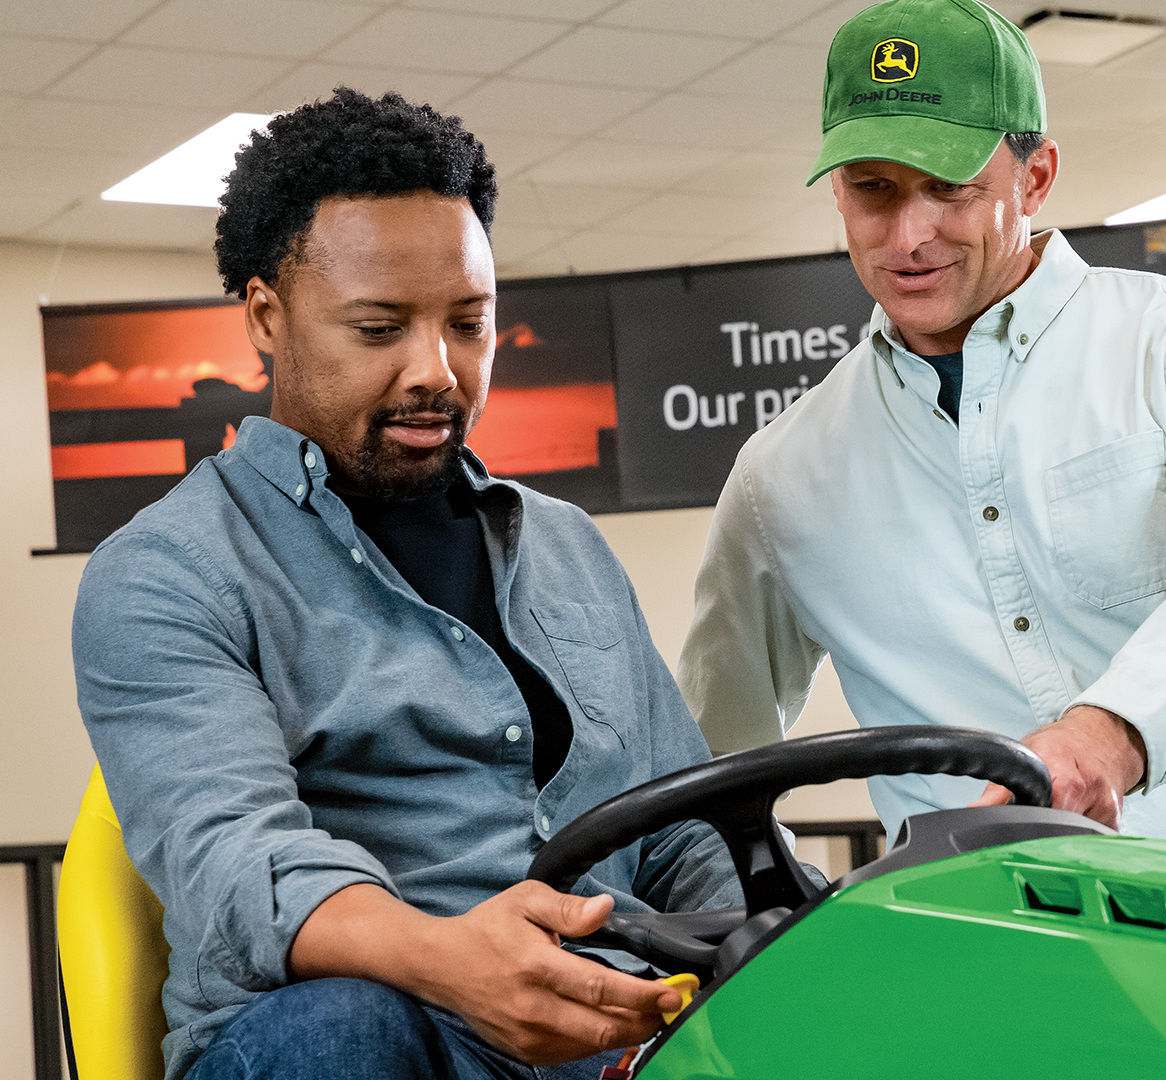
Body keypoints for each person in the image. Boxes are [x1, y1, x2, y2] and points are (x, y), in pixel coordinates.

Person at [74, 90, 741, 1080]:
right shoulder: (166, 573)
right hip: (348, 1042)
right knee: (346, 1026)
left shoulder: (568, 548)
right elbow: (241, 867)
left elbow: (679, 831)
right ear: (265, 315)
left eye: (469, 325)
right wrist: (450, 963)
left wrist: (778, 935)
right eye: (380, 328)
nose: (437, 371)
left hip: (612, 1042)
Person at [680, 0, 1166, 855]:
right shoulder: (780, 478)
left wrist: (1109, 735)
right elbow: (708, 754)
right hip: (978, 954)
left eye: (951, 189)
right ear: (837, 190)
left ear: (1035, 177)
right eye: (874, 191)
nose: (909, 236)